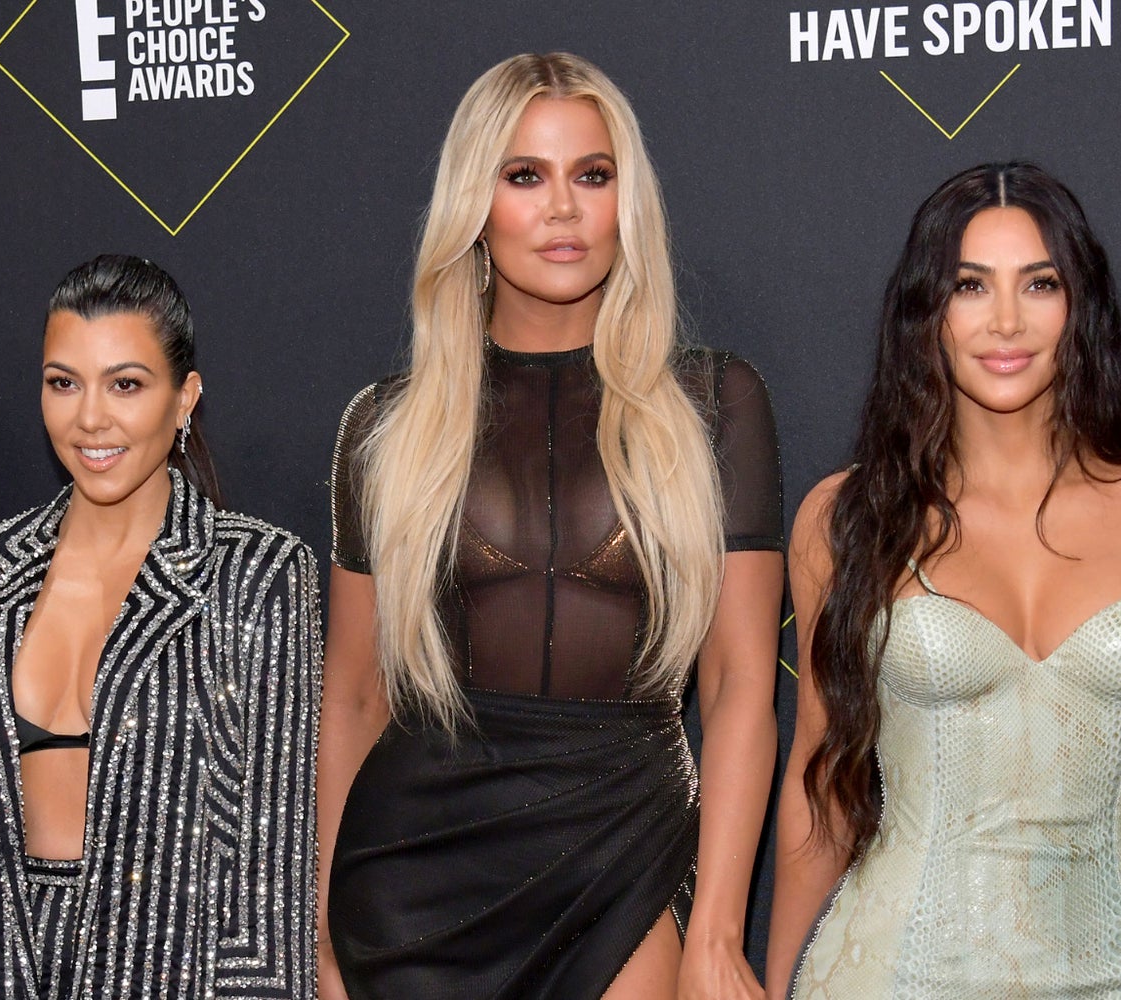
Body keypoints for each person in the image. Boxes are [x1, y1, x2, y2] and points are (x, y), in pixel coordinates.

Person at [318, 53, 784, 1000]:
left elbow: (741, 685)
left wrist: (717, 935)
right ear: (474, 208)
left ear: (628, 201)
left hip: (622, 845)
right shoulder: (388, 427)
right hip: (414, 880)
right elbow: (357, 697)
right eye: (525, 175)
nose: (563, 208)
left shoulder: (712, 405)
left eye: (593, 175)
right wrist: (327, 944)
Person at [767, 162, 1121, 999]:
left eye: (1039, 284)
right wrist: (772, 978)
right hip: (893, 975)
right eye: (970, 286)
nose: (1006, 321)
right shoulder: (846, 518)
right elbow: (822, 771)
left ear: (1079, 305)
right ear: (926, 314)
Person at [0, 254, 320, 999]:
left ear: (185, 399)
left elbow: (271, 875)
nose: (90, 417)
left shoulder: (260, 574)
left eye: (126, 384)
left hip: (174, 973)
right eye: (63, 383)